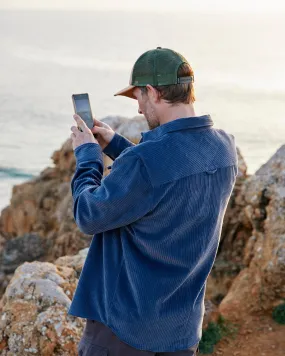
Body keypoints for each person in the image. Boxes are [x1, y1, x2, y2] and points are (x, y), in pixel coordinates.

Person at [69, 47, 238, 356]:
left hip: (124, 331)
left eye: (138, 99)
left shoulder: (145, 162)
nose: (138, 110)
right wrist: (118, 145)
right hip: (181, 332)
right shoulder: (224, 148)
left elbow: (88, 215)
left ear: (152, 92)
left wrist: (87, 157)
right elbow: (169, 181)